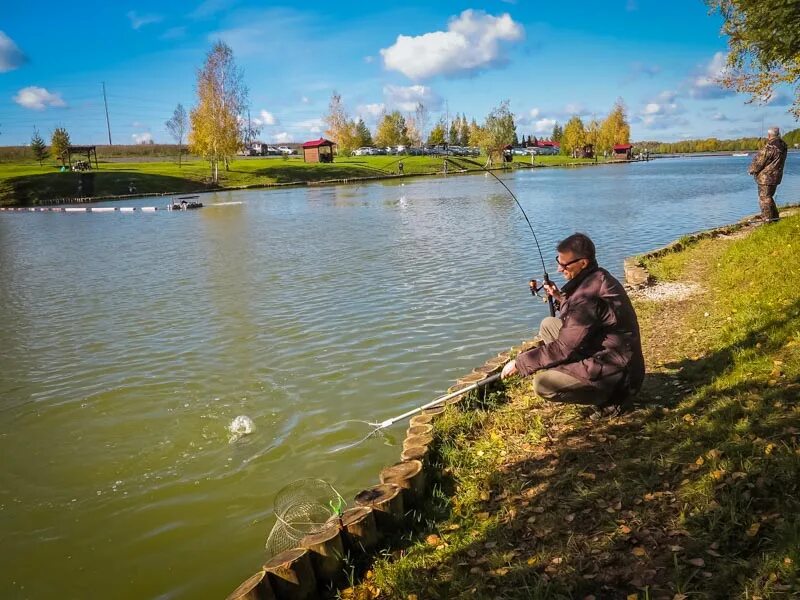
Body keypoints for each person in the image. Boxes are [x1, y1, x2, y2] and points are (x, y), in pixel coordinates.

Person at [501, 233, 645, 417]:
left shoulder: (589, 295)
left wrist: (520, 363)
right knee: (549, 324)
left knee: (543, 384)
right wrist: (559, 297)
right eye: (558, 262)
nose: (559, 269)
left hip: (617, 371)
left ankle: (612, 400)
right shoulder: (597, 278)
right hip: (608, 353)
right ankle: (573, 373)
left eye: (563, 264)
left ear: (583, 263)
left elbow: (562, 348)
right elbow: (584, 316)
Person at [748, 127, 788, 222]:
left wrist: (751, 170)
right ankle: (775, 218)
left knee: (764, 198)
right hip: (776, 176)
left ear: (769, 135)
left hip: (766, 177)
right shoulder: (783, 145)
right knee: (769, 196)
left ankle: (768, 220)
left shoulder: (770, 147)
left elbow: (760, 161)